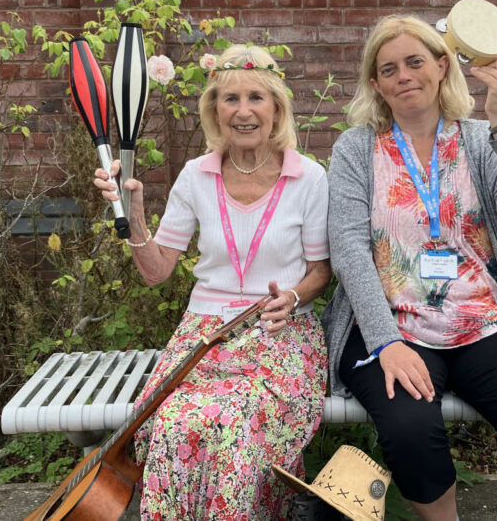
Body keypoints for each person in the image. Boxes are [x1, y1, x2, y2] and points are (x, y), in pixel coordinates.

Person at [322, 14, 497, 521]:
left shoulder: (480, 139)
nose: (403, 76)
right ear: (376, 83)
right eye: (388, 69)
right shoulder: (356, 148)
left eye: (415, 62)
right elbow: (347, 247)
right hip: (392, 323)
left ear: (441, 65)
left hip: (483, 319)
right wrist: (384, 342)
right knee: (409, 428)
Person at [94, 44, 331, 520]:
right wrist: (134, 211)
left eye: (256, 98)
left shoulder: (308, 177)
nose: (243, 111)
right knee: (174, 421)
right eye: (230, 99)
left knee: (237, 419)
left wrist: (292, 295)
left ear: (276, 108)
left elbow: (321, 271)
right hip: (203, 334)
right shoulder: (194, 176)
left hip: (279, 334)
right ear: (215, 110)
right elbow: (157, 272)